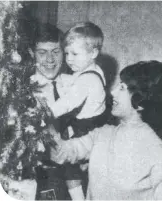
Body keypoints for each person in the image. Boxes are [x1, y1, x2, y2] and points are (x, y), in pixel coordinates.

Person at [49, 60, 162, 200]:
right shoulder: (103, 134)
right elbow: (61, 153)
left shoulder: (159, 153)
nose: (112, 91)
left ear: (140, 101)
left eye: (122, 88)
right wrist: (46, 122)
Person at [40, 22, 107, 200]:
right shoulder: (94, 70)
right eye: (67, 53)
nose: (69, 59)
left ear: (93, 53)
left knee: (70, 168)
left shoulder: (87, 80)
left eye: (75, 54)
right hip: (93, 125)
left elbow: (67, 103)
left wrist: (44, 113)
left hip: (85, 127)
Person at [28, 22, 70, 200]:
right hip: (43, 174)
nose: (50, 60)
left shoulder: (75, 84)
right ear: (31, 54)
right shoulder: (25, 90)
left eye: (56, 51)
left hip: (76, 170)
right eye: (42, 53)